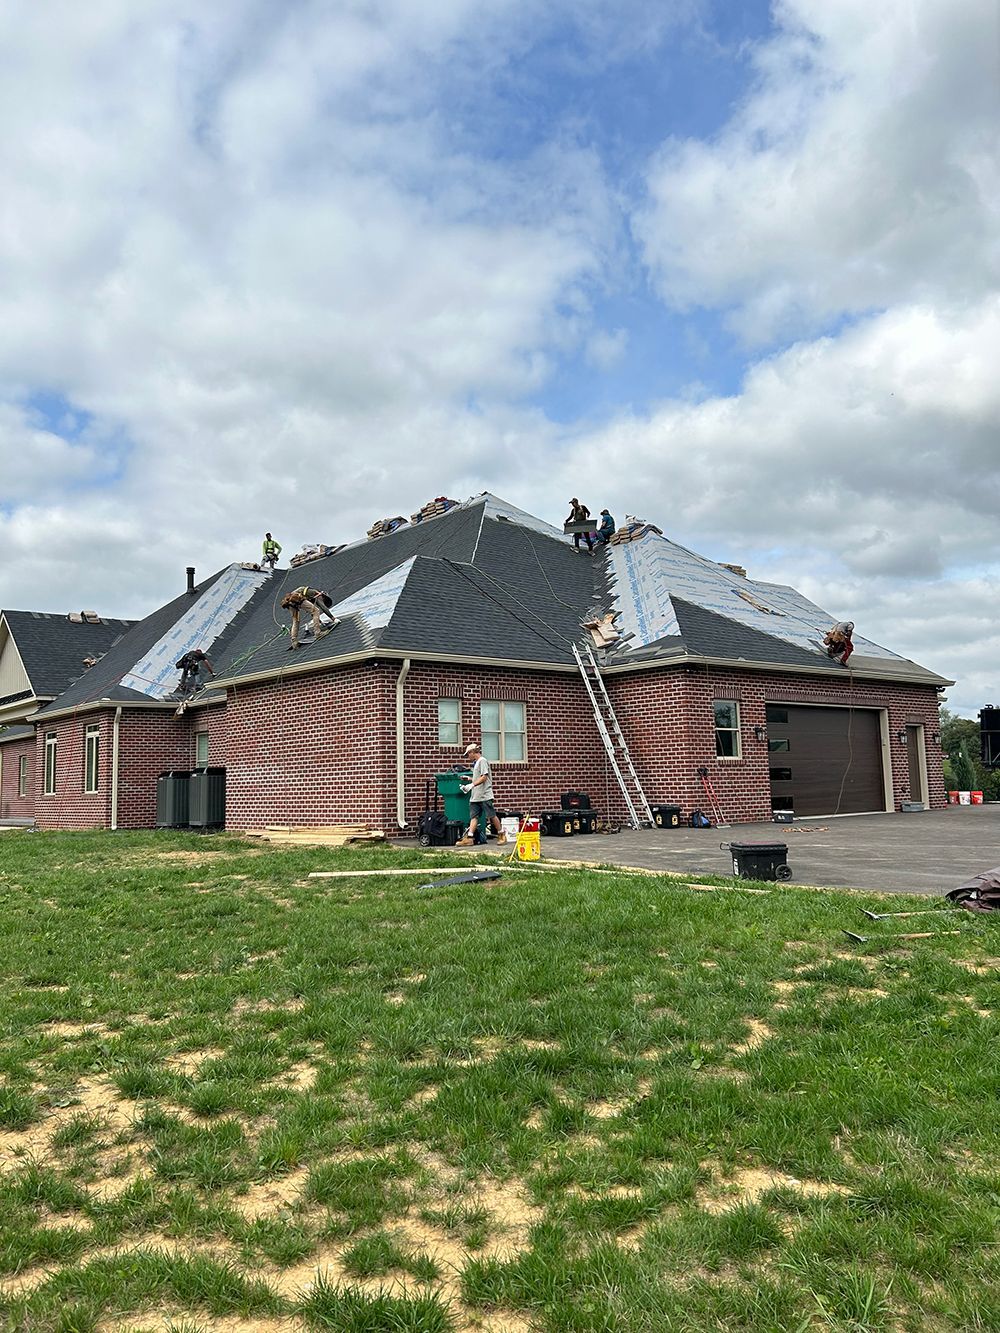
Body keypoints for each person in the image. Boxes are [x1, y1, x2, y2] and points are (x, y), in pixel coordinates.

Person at [457, 742, 508, 846]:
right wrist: (469, 779)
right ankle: (470, 838)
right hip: (476, 796)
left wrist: (471, 786)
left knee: (491, 815)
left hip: (485, 795)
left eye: (468, 754)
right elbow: (479, 778)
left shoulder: (482, 761)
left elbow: (484, 777)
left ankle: (502, 835)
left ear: (472, 752)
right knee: (474, 817)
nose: (468, 757)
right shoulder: (476, 763)